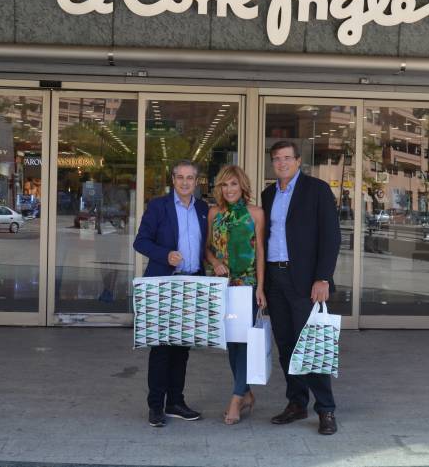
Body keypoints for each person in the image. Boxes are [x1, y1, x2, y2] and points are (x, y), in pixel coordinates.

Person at [261, 141, 342, 436]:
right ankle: (296, 403)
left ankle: (326, 409)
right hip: (275, 279)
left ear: (298, 161)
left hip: (307, 282)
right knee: (285, 345)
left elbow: (331, 237)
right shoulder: (268, 194)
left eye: (287, 158)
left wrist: (323, 278)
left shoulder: (317, 190)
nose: (281, 163)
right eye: (276, 159)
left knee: (313, 344)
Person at [133, 159, 208, 428]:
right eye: (180, 177)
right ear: (172, 179)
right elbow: (140, 241)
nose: (185, 182)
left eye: (190, 178)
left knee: (182, 349)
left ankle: (175, 402)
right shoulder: (158, 206)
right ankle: (156, 406)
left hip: (192, 286)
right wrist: (165, 254)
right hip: (164, 285)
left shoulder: (203, 209)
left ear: (197, 182)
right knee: (162, 348)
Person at [205, 165, 266, 425]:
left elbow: (261, 251)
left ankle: (235, 400)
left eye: (233, 184)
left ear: (242, 187)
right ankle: (247, 393)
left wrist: (261, 288)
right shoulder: (213, 213)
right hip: (222, 287)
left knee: (243, 343)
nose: (229, 189)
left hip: (247, 284)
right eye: (224, 185)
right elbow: (206, 248)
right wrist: (214, 262)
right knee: (231, 344)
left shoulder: (256, 214)